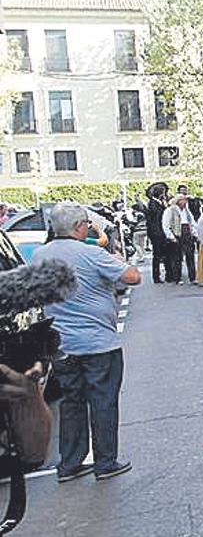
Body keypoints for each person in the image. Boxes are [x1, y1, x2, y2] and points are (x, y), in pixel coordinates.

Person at [32, 202, 141, 482]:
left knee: (72, 402)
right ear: (80, 226)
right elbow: (133, 276)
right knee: (103, 401)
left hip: (62, 344)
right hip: (97, 343)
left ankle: (69, 463)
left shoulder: (40, 255)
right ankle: (105, 462)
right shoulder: (91, 253)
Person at [163, 195, 198, 284]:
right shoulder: (171, 210)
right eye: (183, 200)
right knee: (177, 258)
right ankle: (178, 278)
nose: (185, 202)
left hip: (187, 234)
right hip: (178, 234)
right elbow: (166, 224)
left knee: (190, 256)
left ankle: (193, 277)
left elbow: (192, 222)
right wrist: (171, 236)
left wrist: (195, 233)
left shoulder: (187, 211)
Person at [145, 183, 171, 284]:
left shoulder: (159, 203)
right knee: (157, 255)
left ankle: (168, 274)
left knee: (165, 254)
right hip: (157, 233)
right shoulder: (152, 204)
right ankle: (156, 276)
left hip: (161, 232)